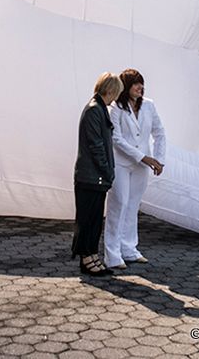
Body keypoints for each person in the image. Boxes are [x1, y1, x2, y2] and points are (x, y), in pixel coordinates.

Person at [104, 69, 166, 270]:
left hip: (142, 165)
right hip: (121, 164)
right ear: (126, 87)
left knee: (133, 205)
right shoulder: (115, 108)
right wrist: (144, 157)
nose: (140, 87)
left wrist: (159, 159)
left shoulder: (149, 105)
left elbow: (159, 133)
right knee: (118, 204)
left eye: (142, 83)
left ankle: (129, 249)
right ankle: (112, 254)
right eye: (135, 84)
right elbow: (116, 139)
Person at [72, 72, 124, 276]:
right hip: (91, 176)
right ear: (110, 90)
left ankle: (92, 254)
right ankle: (86, 258)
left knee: (94, 219)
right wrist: (107, 169)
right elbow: (96, 145)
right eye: (116, 93)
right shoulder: (95, 111)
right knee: (87, 219)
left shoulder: (100, 109)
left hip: (95, 176)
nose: (116, 97)